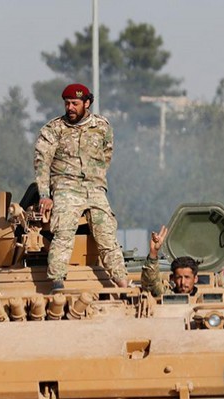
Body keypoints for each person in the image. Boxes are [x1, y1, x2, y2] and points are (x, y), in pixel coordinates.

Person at [34, 83, 128, 291]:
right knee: (63, 232)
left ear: (87, 103)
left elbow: (106, 156)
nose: (70, 108)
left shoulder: (102, 127)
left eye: (75, 103)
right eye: (67, 103)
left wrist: (96, 180)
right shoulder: (53, 130)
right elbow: (42, 164)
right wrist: (45, 195)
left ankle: (122, 280)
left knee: (107, 235)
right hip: (66, 187)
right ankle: (57, 280)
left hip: (94, 188)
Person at [141, 225, 199, 296]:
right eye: (179, 277)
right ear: (172, 278)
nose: (183, 282)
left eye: (187, 277)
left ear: (195, 278)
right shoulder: (167, 296)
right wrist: (154, 252)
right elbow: (151, 284)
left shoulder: (207, 298)